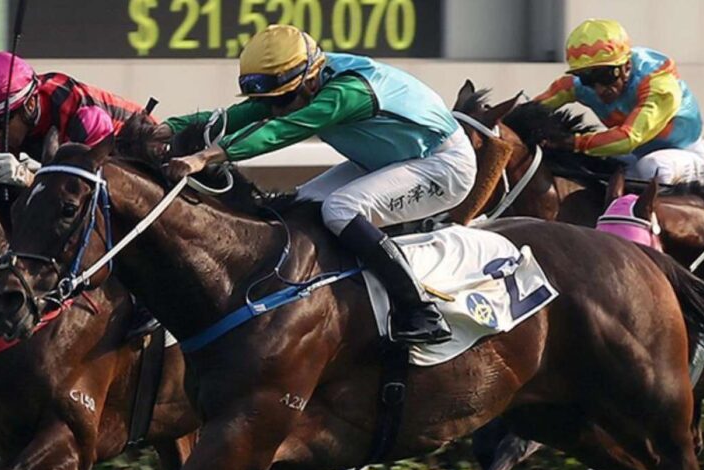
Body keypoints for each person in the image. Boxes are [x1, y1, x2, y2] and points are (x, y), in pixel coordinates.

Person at [163, 25, 477, 344]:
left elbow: (285, 129)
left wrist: (205, 157)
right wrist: (167, 128)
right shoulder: (300, 83)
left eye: (283, 99)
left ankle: (421, 311)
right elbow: (236, 115)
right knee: (295, 209)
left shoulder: (348, 92)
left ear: (311, 80)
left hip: (442, 165)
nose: (275, 108)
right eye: (268, 100)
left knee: (340, 209)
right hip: (386, 160)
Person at [535, 19, 704, 184]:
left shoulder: (657, 82)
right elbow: (532, 110)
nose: (599, 89)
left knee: (653, 166)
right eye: (588, 78)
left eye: (605, 76)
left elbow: (629, 138)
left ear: (627, 66)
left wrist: (571, 142)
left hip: (682, 153)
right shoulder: (579, 85)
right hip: (633, 155)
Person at [0, 51, 148, 188]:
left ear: (30, 105)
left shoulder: (83, 118)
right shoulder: (18, 115)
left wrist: (28, 178)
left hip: (138, 155)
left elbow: (79, 191)